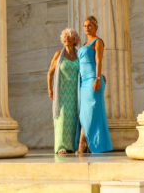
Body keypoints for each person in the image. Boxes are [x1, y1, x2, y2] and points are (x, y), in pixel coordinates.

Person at [75, 16, 112, 154]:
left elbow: (98, 61)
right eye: (85, 26)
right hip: (82, 81)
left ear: (96, 27)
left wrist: (97, 78)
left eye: (89, 25)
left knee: (90, 112)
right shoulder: (84, 44)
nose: (87, 28)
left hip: (92, 80)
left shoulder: (98, 42)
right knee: (84, 113)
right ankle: (86, 142)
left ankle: (82, 143)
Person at [47, 28, 81, 155]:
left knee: (73, 117)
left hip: (75, 91)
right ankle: (60, 146)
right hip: (61, 90)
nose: (66, 38)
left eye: (70, 36)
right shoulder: (58, 54)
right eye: (65, 36)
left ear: (75, 40)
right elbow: (50, 73)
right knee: (62, 117)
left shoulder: (78, 55)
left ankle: (72, 145)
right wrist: (50, 89)